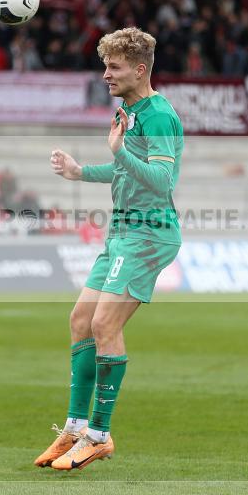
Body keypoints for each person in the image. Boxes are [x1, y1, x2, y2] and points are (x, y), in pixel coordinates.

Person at [38, 27, 184, 471]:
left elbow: (162, 181)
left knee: (104, 322)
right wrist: (82, 172)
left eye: (114, 66)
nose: (106, 74)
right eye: (105, 66)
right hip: (121, 233)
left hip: (149, 233)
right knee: (81, 320)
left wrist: (119, 152)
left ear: (140, 70)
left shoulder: (159, 116)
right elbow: (126, 173)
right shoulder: (129, 110)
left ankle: (99, 435)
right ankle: (75, 427)